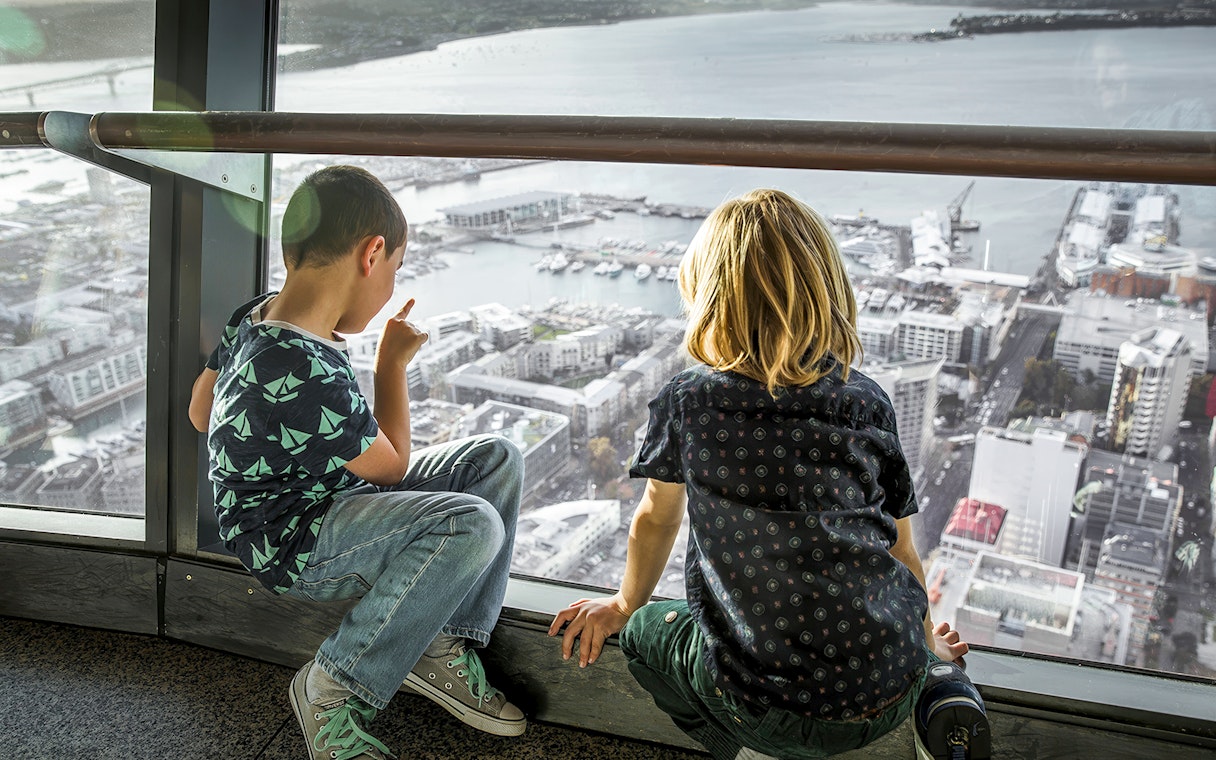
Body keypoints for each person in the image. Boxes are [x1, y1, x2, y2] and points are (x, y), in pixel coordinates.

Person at [548, 189, 989, 760]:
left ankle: (741, 747)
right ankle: (940, 679)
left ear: (708, 298)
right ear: (827, 293)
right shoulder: (866, 402)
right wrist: (923, 643)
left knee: (647, 635)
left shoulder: (691, 402)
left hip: (761, 706)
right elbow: (902, 550)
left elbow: (655, 519)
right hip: (890, 684)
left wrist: (624, 605)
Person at [188, 165, 526, 760]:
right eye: (395, 270)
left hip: (318, 497)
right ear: (372, 254)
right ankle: (332, 686)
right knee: (472, 522)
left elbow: (199, 411)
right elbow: (392, 468)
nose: (392, 285)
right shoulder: (304, 366)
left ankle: (438, 646)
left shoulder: (257, 314)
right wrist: (392, 365)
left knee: (494, 460)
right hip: (294, 540)